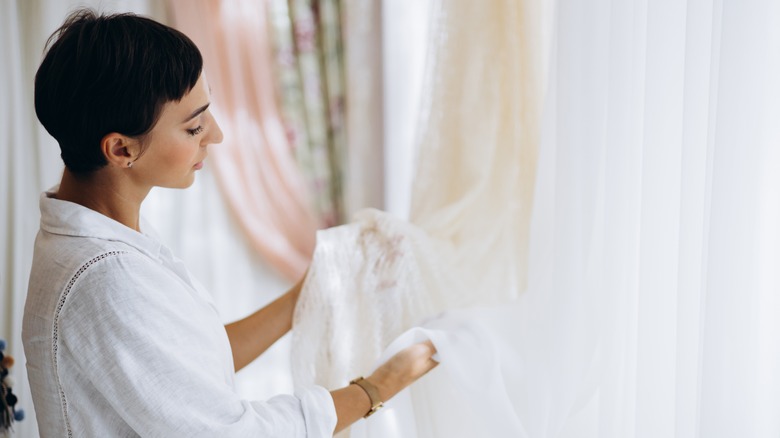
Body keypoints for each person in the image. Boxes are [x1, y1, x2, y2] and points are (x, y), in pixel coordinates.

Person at [22, 9, 437, 437]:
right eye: (194, 126)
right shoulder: (106, 278)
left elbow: (188, 366)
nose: (216, 135)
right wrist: (378, 386)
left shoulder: (99, 235)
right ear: (122, 149)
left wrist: (310, 292)